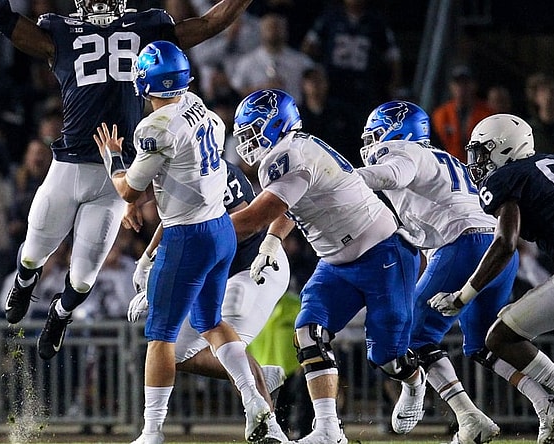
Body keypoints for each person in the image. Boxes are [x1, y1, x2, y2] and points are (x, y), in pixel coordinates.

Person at [0, 0, 257, 343]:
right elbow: (3, 20)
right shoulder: (63, 34)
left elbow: (208, 24)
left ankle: (61, 313)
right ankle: (25, 283)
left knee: (83, 278)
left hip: (118, 174)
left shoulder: (148, 30)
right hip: (70, 167)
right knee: (33, 251)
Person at [93, 41, 271, 444]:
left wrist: (112, 158)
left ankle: (152, 431)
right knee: (211, 322)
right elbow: (179, 176)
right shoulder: (201, 109)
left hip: (186, 235)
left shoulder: (154, 128)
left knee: (161, 338)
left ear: (144, 82)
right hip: (221, 230)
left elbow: (127, 189)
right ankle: (253, 399)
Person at [357, 101, 554, 444]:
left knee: (412, 335)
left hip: (463, 244)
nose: (371, 145)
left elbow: (394, 174)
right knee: (487, 343)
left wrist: (344, 179)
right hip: (496, 248)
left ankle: (469, 418)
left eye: (376, 135)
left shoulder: (403, 151)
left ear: (399, 132)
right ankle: (547, 402)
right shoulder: (446, 159)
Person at [229, 88, 421, 444]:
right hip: (334, 261)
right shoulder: (293, 149)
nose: (246, 140)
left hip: (383, 252)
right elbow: (289, 204)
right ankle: (329, 428)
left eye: (253, 129)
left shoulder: (286, 155)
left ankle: (413, 380)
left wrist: (199, 230)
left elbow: (256, 216)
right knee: (308, 332)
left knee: (387, 356)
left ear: (275, 125)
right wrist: (273, 240)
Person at [428, 113, 554, 444]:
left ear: (504, 149)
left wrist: (462, 297)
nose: (477, 162)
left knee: (498, 338)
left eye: (482, 152)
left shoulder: (507, 177)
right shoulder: (553, 163)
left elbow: (505, 244)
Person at [127, 158, 292, 443]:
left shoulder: (209, 173)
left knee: (222, 334)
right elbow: (175, 218)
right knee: (173, 352)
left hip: (252, 269)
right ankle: (257, 376)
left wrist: (166, 281)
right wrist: (148, 257)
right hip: (219, 269)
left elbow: (244, 224)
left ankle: (271, 431)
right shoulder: (179, 170)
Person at [430, 64, 494, 161]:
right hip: (448, 166)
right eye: (458, 83)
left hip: (480, 166)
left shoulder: (487, 112)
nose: (462, 88)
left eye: (466, 83)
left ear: (474, 85)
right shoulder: (440, 114)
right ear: (451, 86)